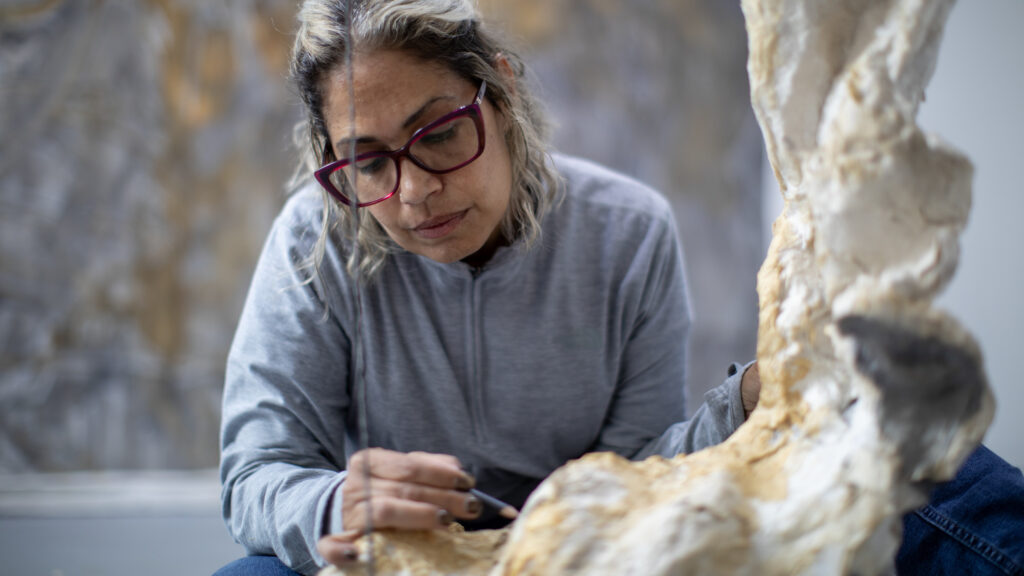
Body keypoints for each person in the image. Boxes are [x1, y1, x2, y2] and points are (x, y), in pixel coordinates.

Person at [215, 1, 1024, 575]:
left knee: (913, 453)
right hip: (413, 558)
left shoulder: (628, 229)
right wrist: (331, 505)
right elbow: (256, 477)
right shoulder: (313, 239)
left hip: (594, 552)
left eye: (440, 134)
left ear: (499, 92)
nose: (415, 192)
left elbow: (644, 465)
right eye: (367, 161)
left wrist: (750, 402)